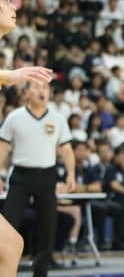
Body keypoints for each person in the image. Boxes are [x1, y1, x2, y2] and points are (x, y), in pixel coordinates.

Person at [0, 0, 55, 277]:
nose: (14, 8)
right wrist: (10, 76)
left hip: (45, 176)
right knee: (10, 245)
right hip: (22, 175)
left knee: (10, 245)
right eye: (6, 1)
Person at [0, 80, 74, 277]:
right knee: (8, 225)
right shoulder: (15, 117)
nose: (42, 91)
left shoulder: (58, 119)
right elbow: (3, 147)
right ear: (26, 93)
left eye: (45, 88)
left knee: (47, 229)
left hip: (47, 175)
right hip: (21, 176)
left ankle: (40, 274)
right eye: (37, 87)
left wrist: (71, 174)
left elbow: (66, 149)